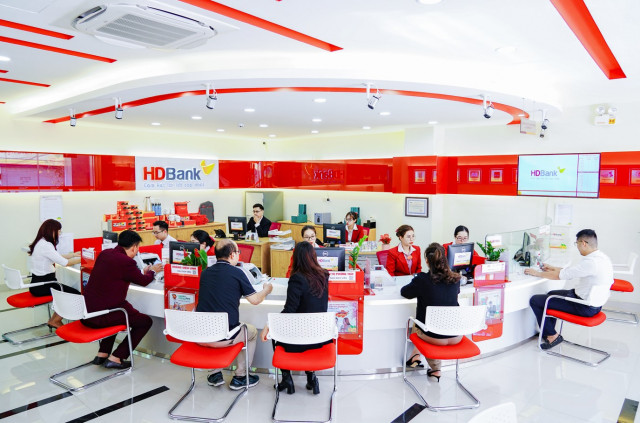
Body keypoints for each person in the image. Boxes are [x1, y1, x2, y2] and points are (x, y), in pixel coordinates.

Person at [197, 238, 273, 390]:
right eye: (238, 252)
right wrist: (266, 289)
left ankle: (214, 374)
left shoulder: (205, 273)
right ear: (232, 255)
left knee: (215, 323)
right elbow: (255, 300)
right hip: (223, 336)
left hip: (201, 335)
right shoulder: (237, 273)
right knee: (251, 332)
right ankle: (241, 376)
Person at [82, 230, 163, 369]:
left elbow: (117, 274)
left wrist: (141, 273)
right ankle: (117, 357)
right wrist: (153, 271)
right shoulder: (126, 262)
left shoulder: (105, 253)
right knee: (144, 322)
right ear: (134, 247)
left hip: (88, 311)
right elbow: (143, 281)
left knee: (116, 317)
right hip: (104, 313)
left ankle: (102, 354)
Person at [260, 242, 330, 395]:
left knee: (275, 335)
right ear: (313, 256)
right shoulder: (324, 275)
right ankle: (311, 378)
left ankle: (287, 379)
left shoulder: (297, 279)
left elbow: (289, 311)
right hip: (319, 337)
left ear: (296, 257)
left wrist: (269, 324)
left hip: (299, 339)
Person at [526, 229, 613, 350]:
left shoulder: (591, 262)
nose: (577, 247)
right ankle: (549, 331)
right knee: (551, 293)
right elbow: (572, 271)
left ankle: (552, 336)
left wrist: (536, 273)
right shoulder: (602, 258)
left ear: (583, 243)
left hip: (583, 306)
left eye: (577, 243)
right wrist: (552, 268)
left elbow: (560, 276)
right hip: (594, 303)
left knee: (535, 300)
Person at [400, 243, 462, 380]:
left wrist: (416, 281)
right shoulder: (456, 279)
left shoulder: (422, 280)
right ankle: (416, 356)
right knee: (431, 321)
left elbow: (405, 292)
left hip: (435, 338)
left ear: (427, 261)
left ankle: (435, 368)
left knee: (418, 322)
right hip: (456, 335)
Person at [28, 219, 82, 328]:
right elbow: (65, 263)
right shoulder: (46, 245)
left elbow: (55, 256)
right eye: (59, 231)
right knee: (75, 294)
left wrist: (73, 255)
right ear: (52, 231)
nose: (60, 234)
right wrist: (82, 259)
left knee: (66, 293)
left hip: (37, 284)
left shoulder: (41, 242)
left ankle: (53, 320)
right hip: (45, 285)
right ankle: (55, 320)